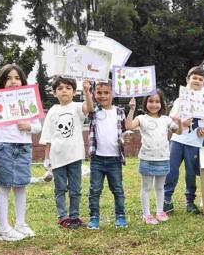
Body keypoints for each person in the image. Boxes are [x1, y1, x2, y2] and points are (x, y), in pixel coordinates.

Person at [0, 64, 42, 241]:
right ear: (2, 82)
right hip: (4, 148)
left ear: (23, 81)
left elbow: (38, 126)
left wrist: (29, 126)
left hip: (23, 147)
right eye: (8, 78)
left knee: (21, 186)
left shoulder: (29, 101)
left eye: (17, 78)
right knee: (3, 186)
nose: (13, 81)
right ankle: (2, 227)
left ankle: (20, 223)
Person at [39, 76, 93, 229]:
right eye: (60, 88)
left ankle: (75, 216)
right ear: (54, 93)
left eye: (68, 88)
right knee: (60, 188)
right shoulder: (52, 111)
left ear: (74, 92)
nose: (64, 91)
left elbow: (89, 108)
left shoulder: (77, 107)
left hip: (75, 155)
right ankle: (63, 217)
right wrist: (46, 157)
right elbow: (48, 136)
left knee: (75, 189)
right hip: (57, 157)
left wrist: (87, 91)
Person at [163, 67, 204, 214]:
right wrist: (182, 122)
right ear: (187, 79)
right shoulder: (181, 98)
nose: (197, 81)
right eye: (194, 78)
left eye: (200, 79)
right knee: (171, 169)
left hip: (195, 142)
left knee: (191, 172)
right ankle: (166, 199)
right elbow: (173, 116)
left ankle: (190, 201)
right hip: (178, 139)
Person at [126, 91, 182, 225]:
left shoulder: (166, 119)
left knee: (160, 187)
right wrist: (132, 109)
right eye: (151, 101)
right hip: (146, 158)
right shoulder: (141, 118)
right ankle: (146, 215)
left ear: (162, 104)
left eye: (157, 102)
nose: (154, 104)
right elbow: (128, 126)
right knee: (146, 188)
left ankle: (160, 211)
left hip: (163, 159)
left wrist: (179, 122)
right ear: (145, 103)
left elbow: (178, 132)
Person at [86, 81, 127, 230]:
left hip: (115, 158)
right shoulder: (93, 111)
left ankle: (120, 216)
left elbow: (125, 130)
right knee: (95, 190)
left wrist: (133, 108)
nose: (102, 96)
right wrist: (86, 91)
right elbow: (88, 107)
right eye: (99, 93)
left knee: (117, 189)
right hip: (97, 158)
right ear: (94, 94)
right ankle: (94, 217)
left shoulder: (119, 111)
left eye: (106, 93)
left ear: (113, 94)